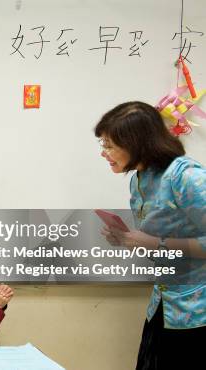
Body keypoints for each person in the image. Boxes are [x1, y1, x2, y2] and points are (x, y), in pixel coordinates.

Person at [95, 101, 205, 369]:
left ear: (135, 143)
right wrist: (130, 241)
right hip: (163, 306)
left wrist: (156, 244)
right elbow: (165, 251)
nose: (103, 154)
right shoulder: (139, 179)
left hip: (198, 314)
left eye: (109, 146)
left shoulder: (186, 177)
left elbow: (163, 245)